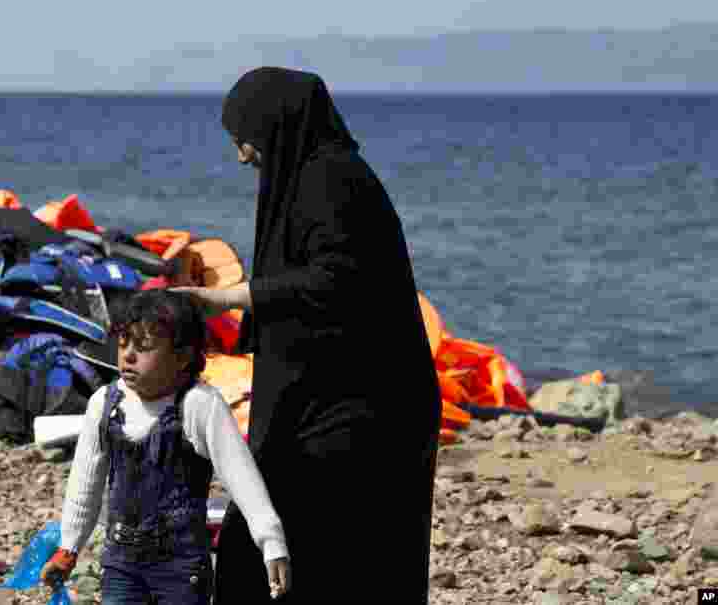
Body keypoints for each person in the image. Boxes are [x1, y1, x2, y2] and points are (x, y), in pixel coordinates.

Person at [172, 66, 442, 603]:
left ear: (277, 127)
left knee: (331, 555)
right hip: (327, 404)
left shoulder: (334, 180)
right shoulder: (312, 178)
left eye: (245, 139)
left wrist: (228, 298)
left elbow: (337, 281)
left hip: (363, 415)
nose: (243, 155)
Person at [40, 289, 292, 604]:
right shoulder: (104, 404)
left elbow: (242, 479)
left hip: (182, 567)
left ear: (183, 357)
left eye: (143, 347)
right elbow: (84, 485)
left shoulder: (199, 404)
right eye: (122, 343)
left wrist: (271, 541)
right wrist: (69, 548)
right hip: (121, 563)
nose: (128, 356)